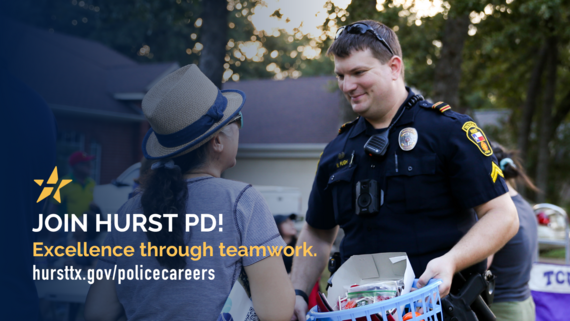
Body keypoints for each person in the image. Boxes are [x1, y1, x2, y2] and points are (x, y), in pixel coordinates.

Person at [290, 20, 519, 320]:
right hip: (356, 313)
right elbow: (317, 233)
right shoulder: (337, 150)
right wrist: (296, 292)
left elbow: (503, 215)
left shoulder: (449, 132)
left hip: (439, 311)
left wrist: (451, 261)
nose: (347, 86)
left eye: (359, 73)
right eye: (341, 76)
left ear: (394, 67)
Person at [84, 64, 294, 321]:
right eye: (236, 120)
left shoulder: (128, 211)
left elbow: (97, 311)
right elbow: (277, 312)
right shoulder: (242, 202)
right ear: (217, 141)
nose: (240, 127)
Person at [487, 142, 538, 321]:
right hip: (524, 305)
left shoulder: (497, 215)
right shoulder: (524, 205)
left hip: (502, 310)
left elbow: (482, 265)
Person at [48, 151, 98, 217]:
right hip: (66, 224)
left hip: (86, 224)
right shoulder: (63, 183)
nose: (91, 166)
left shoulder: (92, 183)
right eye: (87, 164)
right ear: (77, 166)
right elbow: (53, 208)